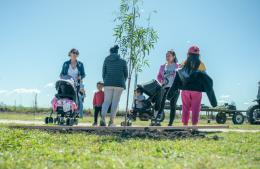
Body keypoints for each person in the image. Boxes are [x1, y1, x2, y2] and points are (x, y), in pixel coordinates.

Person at [100, 45, 128, 127]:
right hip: (119, 84)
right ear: (117, 52)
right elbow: (126, 74)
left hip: (108, 83)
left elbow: (103, 72)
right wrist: (122, 81)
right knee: (115, 103)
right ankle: (111, 122)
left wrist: (106, 81)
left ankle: (102, 119)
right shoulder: (123, 61)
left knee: (106, 101)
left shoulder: (106, 60)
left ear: (110, 52)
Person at [179, 46, 207, 126]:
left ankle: (185, 125)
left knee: (185, 108)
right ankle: (194, 125)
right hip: (197, 90)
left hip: (185, 89)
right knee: (196, 108)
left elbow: (179, 73)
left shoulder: (184, 62)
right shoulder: (201, 64)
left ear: (188, 54)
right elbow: (204, 77)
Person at [156, 50, 180, 126]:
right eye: (166, 55)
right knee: (162, 102)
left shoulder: (177, 66)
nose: (167, 57)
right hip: (165, 87)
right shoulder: (163, 66)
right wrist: (161, 80)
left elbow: (181, 76)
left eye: (169, 55)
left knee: (173, 105)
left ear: (173, 56)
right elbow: (159, 76)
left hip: (174, 88)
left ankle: (170, 124)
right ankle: (158, 118)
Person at [60, 48, 86, 118]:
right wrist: (64, 77)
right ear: (70, 54)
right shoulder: (65, 64)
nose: (74, 54)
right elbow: (61, 74)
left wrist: (80, 77)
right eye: (73, 53)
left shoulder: (80, 64)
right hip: (67, 83)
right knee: (66, 96)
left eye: (76, 53)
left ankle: (78, 113)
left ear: (77, 55)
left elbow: (83, 74)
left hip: (77, 83)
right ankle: (65, 111)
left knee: (79, 97)